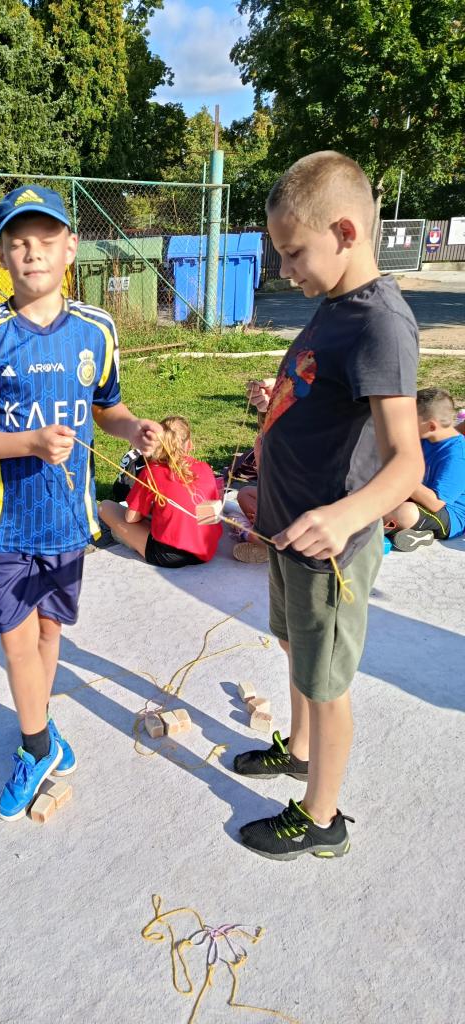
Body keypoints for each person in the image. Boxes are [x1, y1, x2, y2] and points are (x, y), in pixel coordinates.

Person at [0, 184, 161, 822]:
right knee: (16, 643)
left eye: (45, 240)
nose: (32, 253)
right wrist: (29, 443)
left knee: (49, 633)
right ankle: (36, 745)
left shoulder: (97, 329)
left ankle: (39, 725)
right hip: (8, 523)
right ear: (1, 253)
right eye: (18, 242)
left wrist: (134, 429)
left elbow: (108, 407)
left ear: (70, 248)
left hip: (69, 521)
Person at [232, 151, 423, 861]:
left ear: (344, 232)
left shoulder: (382, 323)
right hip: (290, 530)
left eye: (293, 253)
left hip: (329, 546)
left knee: (327, 680)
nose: (285, 270)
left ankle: (322, 817)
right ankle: (301, 750)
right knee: (295, 649)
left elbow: (406, 461)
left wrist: (344, 517)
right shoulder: (336, 307)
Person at [98, 415, 222, 567]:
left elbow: (130, 518)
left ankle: (130, 539)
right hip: (206, 549)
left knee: (105, 507)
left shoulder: (151, 471)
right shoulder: (205, 467)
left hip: (169, 555)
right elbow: (209, 515)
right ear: (189, 444)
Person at [384, 387, 465, 550]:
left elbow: (435, 504)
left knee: (404, 513)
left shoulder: (456, 455)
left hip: (449, 516)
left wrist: (403, 477)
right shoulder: (425, 438)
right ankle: (417, 533)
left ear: (431, 426)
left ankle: (402, 528)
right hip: (419, 500)